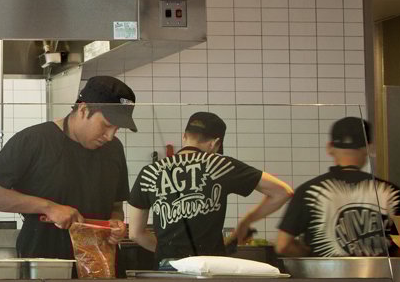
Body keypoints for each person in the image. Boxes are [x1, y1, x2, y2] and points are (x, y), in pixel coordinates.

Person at [0, 75, 135, 260]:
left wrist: (115, 223)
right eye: (106, 126)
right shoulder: (34, 140)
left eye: (117, 129)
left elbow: (115, 206)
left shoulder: (114, 149)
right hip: (46, 267)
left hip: (100, 264)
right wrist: (48, 207)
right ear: (83, 109)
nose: (110, 136)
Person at [125, 111, 294, 262]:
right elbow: (283, 192)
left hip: (168, 270)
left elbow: (135, 233)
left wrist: (167, 252)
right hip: (210, 268)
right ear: (215, 143)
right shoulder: (221, 164)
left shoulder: (150, 171)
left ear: (184, 136)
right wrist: (247, 221)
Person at [276, 117, 400, 257]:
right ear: (369, 148)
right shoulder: (391, 192)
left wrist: (311, 257)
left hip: (325, 277)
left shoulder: (309, 191)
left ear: (329, 147)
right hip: (379, 278)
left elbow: (283, 245)